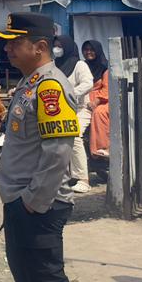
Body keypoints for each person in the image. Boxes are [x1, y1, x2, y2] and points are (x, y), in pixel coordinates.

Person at [0, 12, 80, 282]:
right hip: (21, 201)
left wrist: (32, 202)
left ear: (40, 46)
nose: (9, 50)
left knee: (45, 277)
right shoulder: (30, 82)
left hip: (39, 205)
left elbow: (58, 152)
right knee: (26, 273)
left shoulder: (50, 88)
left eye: (16, 43)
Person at [54, 35, 95, 193]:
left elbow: (88, 83)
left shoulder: (79, 65)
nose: (57, 49)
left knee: (74, 135)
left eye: (60, 46)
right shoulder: (54, 65)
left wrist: (70, 93)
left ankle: (83, 179)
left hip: (79, 108)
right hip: (59, 108)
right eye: (55, 45)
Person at [83, 40, 110, 162]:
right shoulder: (82, 66)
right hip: (84, 101)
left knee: (99, 113)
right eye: (86, 49)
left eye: (91, 49)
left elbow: (107, 89)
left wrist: (96, 101)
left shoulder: (105, 68)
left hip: (103, 101)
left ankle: (102, 148)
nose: (88, 52)